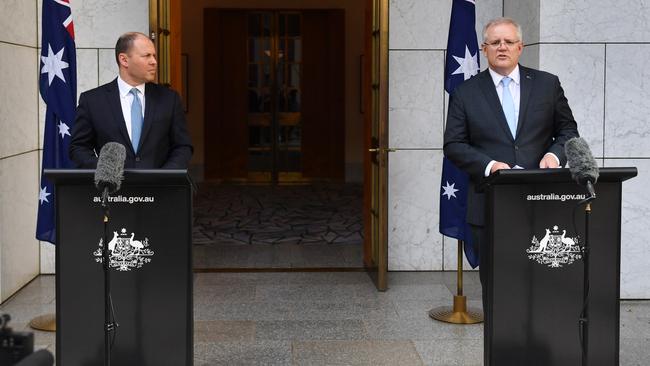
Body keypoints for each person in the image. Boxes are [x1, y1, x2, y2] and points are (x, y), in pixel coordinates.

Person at [443, 18, 579, 303]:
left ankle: (539, 341)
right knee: (497, 283)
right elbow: (453, 144)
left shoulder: (547, 84)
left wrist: (554, 156)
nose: (501, 47)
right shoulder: (465, 93)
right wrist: (490, 166)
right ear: (484, 49)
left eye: (508, 42)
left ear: (520, 47)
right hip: (489, 201)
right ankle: (500, 345)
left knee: (542, 280)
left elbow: (568, 131)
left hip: (542, 199)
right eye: (495, 42)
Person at [70, 32, 193, 169]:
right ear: (124, 60)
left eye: (154, 56)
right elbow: (78, 148)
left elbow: (183, 146)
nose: (154, 61)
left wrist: (165, 176)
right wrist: (105, 170)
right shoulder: (92, 101)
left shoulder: (169, 99)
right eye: (147, 56)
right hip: (112, 188)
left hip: (160, 188)